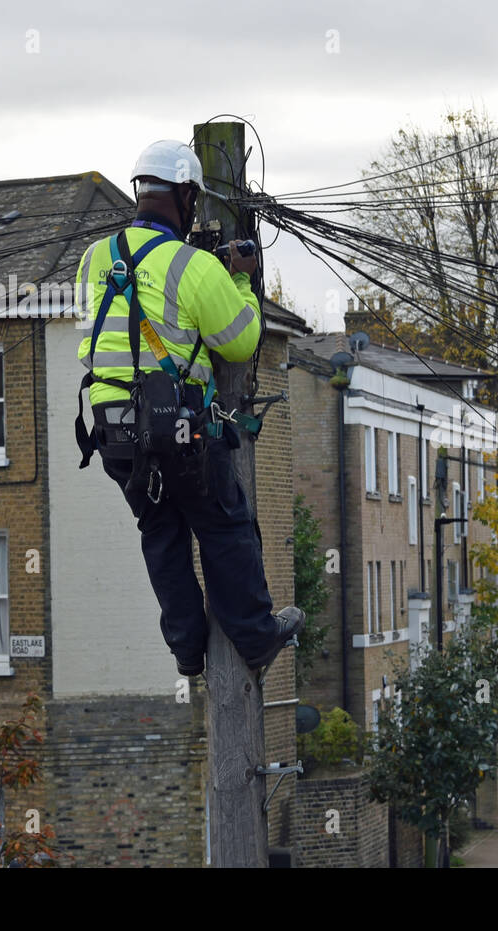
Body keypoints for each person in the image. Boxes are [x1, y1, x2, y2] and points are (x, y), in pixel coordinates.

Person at [73, 139, 302, 678]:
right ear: (186, 196)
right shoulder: (194, 267)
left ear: (139, 192)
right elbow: (241, 341)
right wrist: (240, 277)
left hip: (111, 428)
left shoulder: (93, 259)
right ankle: (254, 636)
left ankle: (187, 649)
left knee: (160, 529)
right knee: (224, 525)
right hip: (176, 429)